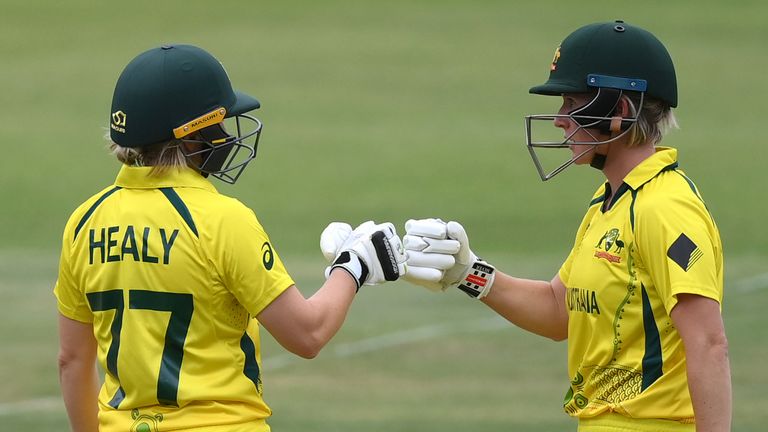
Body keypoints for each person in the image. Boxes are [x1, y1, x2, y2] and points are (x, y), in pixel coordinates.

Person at [54, 44, 406, 432]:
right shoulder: (222, 220)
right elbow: (308, 334)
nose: (225, 135)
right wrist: (354, 265)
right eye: (216, 125)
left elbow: (71, 360)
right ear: (188, 138)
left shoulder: (85, 222)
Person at [401, 21, 731, 432]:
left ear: (620, 112)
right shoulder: (610, 202)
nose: (559, 119)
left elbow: (708, 343)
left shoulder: (666, 208)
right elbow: (561, 311)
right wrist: (469, 273)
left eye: (572, 102)